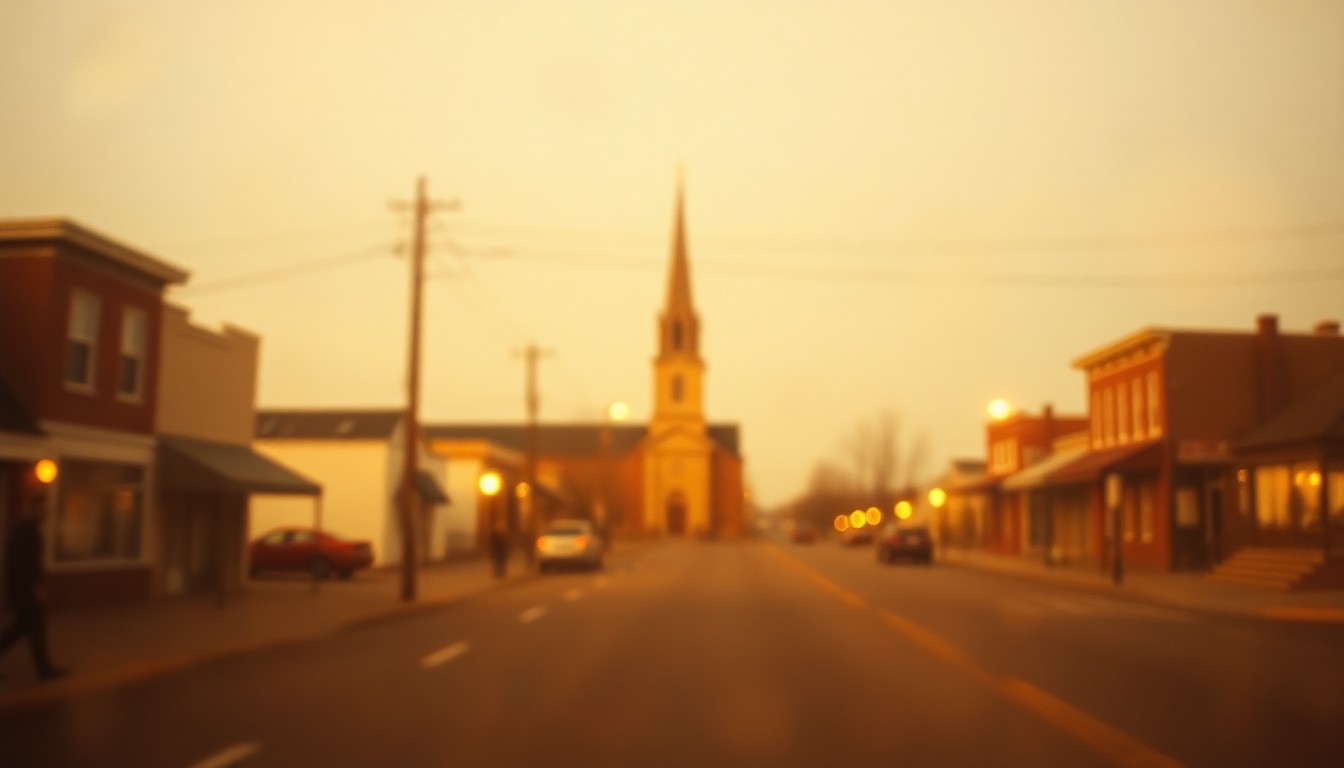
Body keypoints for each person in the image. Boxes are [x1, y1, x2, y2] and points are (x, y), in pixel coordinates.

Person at [0, 494, 68, 681]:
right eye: (44, 508)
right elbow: (26, 564)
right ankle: (45, 669)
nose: (46, 512)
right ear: (36, 508)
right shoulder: (27, 531)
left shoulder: (26, 528)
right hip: (26, 589)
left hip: (23, 588)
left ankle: (44, 668)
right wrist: (35, 587)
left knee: (28, 628)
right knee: (27, 627)